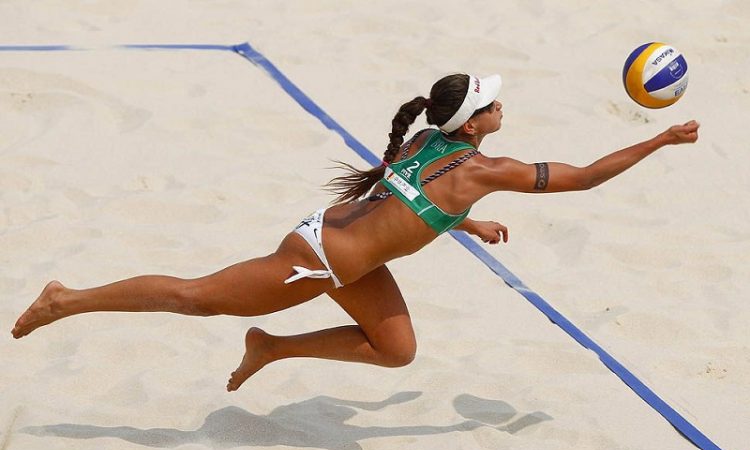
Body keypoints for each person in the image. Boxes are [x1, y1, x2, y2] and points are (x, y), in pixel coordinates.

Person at [11, 73, 700, 392]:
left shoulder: (434, 141)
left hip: (346, 251)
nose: (501, 104)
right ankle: (66, 298)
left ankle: (272, 347)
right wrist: (662, 139)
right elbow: (582, 178)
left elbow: (413, 201)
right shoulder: (487, 168)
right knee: (198, 296)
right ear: (473, 123)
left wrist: (467, 222)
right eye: (492, 102)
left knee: (396, 350)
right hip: (316, 258)